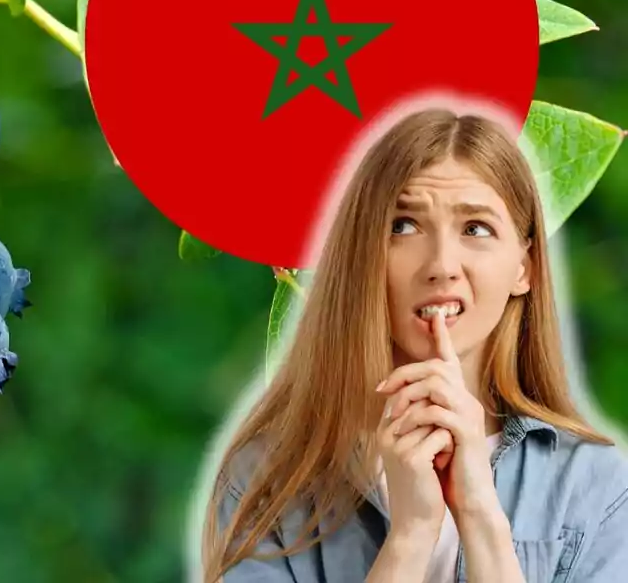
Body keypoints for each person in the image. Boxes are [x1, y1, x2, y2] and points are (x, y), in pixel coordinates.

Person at [199, 107, 628, 582]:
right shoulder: (265, 482)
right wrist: (411, 534)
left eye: (475, 229)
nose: (442, 264)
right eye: (403, 226)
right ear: (360, 255)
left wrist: (482, 517)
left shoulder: (593, 484)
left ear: (523, 267)